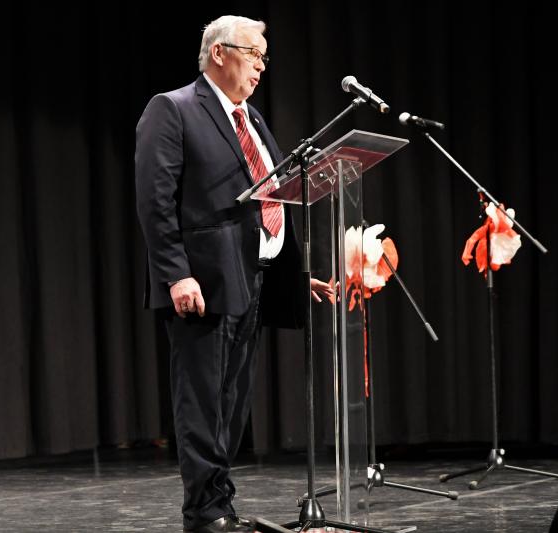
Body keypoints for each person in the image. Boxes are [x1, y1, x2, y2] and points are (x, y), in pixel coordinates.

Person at [135, 15, 331, 533]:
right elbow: (155, 202)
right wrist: (176, 274)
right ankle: (204, 514)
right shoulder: (173, 108)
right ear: (219, 53)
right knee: (203, 403)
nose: (262, 66)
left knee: (232, 405)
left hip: (253, 278)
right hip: (203, 281)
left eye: (265, 57)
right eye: (254, 54)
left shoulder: (252, 119)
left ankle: (220, 505)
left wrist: (290, 275)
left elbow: (270, 197)